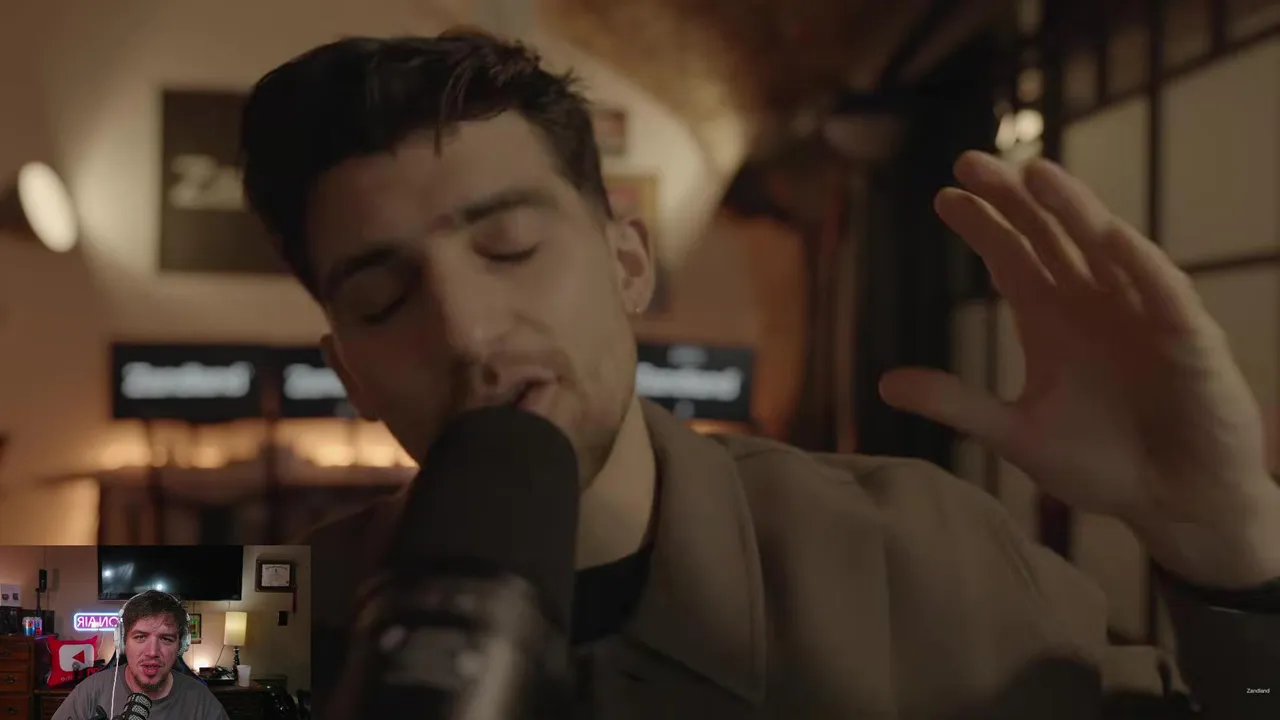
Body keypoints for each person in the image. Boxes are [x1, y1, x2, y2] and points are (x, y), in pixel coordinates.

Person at [240, 31, 1280, 719]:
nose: (466, 330)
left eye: (510, 247)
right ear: (349, 372)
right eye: (383, 298)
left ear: (628, 263)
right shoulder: (254, 622)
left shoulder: (920, 552)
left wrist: (1232, 552)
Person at [52, 591, 230, 720]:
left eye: (166, 639)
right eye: (140, 637)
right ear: (122, 642)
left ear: (181, 646)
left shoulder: (202, 701)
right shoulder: (90, 692)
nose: (152, 652)